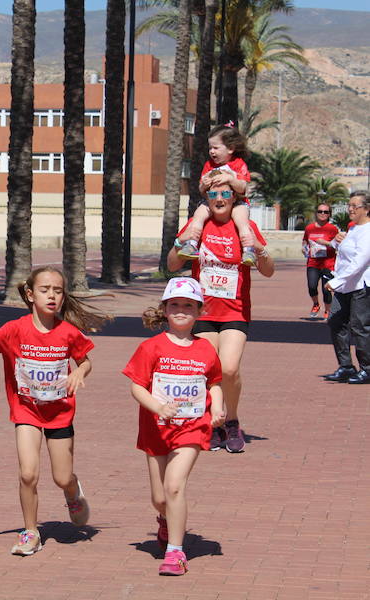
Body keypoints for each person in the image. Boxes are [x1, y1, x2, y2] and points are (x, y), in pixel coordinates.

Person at [0, 266, 109, 556]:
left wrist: (80, 371)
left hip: (59, 414)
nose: (52, 296)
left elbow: (86, 360)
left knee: (61, 477)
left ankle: (72, 490)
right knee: (28, 475)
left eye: (57, 290)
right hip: (26, 412)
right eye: (45, 290)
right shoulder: (15, 329)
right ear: (30, 295)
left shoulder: (68, 332)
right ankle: (31, 532)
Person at [122, 277, 225, 576]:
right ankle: (166, 521)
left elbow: (214, 383)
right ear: (165, 309)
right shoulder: (150, 348)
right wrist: (158, 407)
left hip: (192, 428)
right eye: (175, 305)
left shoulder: (205, 349)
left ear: (198, 311)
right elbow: (137, 387)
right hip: (156, 429)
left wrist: (217, 406)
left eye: (188, 306)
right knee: (159, 498)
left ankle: (175, 552)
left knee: (174, 486)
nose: (181, 310)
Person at [168, 180, 274, 453]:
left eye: (225, 193)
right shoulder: (198, 225)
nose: (219, 198)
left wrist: (259, 249)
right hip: (202, 312)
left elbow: (269, 270)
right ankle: (214, 423)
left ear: (234, 197)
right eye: (212, 193)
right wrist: (183, 240)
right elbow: (172, 264)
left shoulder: (245, 226)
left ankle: (232, 419)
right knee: (208, 370)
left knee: (228, 368)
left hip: (235, 310)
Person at [176, 123, 258, 266]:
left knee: (242, 222)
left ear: (231, 149)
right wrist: (205, 184)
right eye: (210, 148)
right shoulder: (209, 165)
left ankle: (248, 250)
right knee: (198, 216)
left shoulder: (238, 164)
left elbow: (243, 188)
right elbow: (201, 189)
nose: (212, 152)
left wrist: (231, 179)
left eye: (216, 148)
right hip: (212, 200)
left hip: (237, 202)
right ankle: (191, 244)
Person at [321, 191, 370, 384]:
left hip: (361, 286)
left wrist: (335, 282)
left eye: (355, 206)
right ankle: (346, 366)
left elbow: (360, 261)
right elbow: (343, 252)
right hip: (345, 286)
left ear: (366, 209)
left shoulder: (368, 231)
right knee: (335, 322)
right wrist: (337, 241)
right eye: (349, 205)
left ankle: (367, 368)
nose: (350, 209)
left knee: (359, 327)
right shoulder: (353, 228)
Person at [302, 204, 339, 320]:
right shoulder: (309, 228)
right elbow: (305, 242)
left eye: (326, 212)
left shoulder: (332, 229)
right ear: (316, 213)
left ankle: (327, 310)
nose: (323, 214)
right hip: (313, 263)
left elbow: (338, 246)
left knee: (326, 289)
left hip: (328, 263)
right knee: (312, 286)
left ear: (329, 214)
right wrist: (304, 248)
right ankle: (316, 304)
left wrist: (325, 243)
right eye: (320, 211)